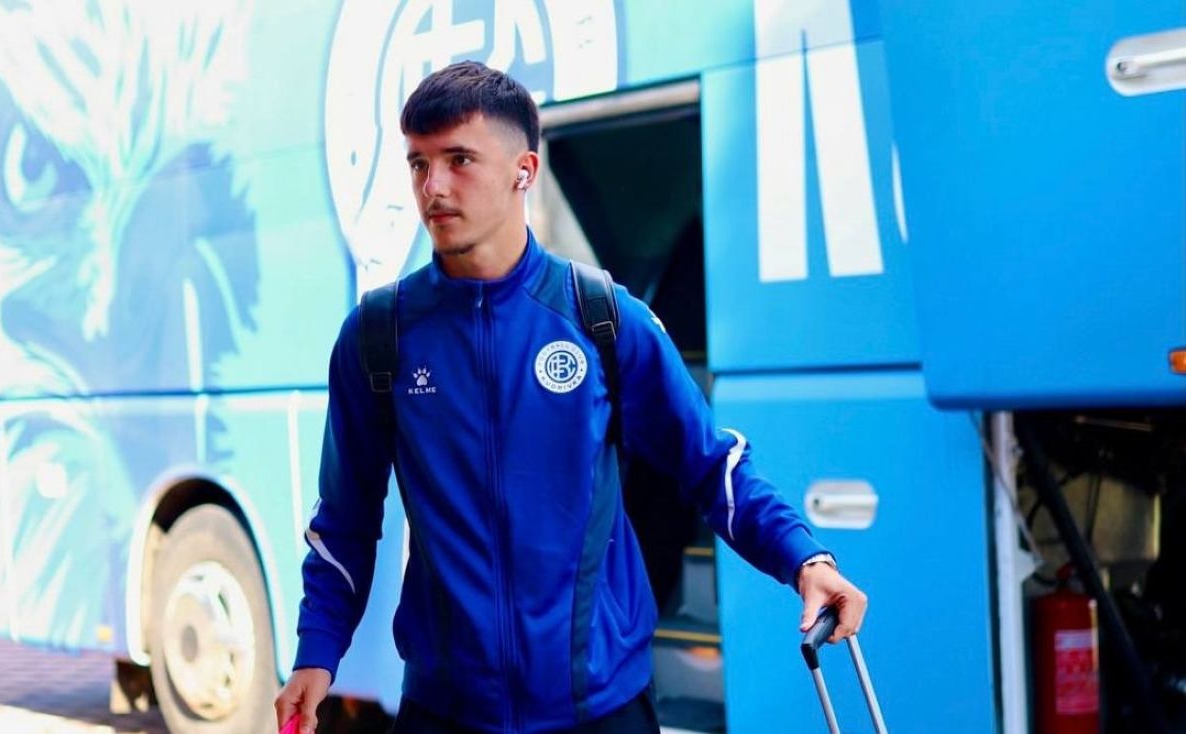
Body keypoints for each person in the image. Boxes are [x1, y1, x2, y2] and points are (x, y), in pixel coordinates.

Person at [275, 60, 867, 734]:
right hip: (445, 711)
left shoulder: (602, 319)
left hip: (601, 708)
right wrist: (316, 651)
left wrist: (804, 559)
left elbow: (711, 465)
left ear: (523, 171)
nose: (432, 187)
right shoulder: (379, 336)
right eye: (418, 164)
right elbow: (345, 519)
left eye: (459, 160)